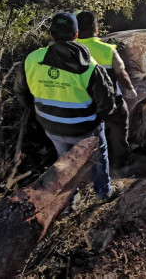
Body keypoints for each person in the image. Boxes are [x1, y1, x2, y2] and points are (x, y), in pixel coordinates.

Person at [13, 12, 119, 203]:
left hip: (51, 126)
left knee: (65, 161)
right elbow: (107, 105)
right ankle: (103, 193)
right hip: (85, 128)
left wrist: (41, 113)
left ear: (51, 34)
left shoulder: (31, 59)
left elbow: (22, 93)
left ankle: (70, 201)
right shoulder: (89, 66)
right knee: (98, 155)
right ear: (76, 34)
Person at [75, 11, 138, 168]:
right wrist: (130, 90)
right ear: (95, 27)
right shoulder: (108, 49)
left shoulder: (71, 49)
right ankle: (120, 161)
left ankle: (87, 161)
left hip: (80, 101)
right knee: (120, 123)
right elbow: (122, 73)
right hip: (109, 101)